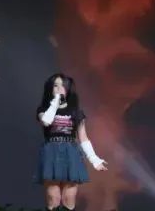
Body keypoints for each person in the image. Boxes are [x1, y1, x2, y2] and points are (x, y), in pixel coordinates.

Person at [36, 73, 107, 211]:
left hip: (71, 153)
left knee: (69, 198)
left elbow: (83, 138)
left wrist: (94, 159)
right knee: (53, 198)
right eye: (55, 85)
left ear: (68, 88)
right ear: (50, 88)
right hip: (51, 153)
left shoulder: (76, 112)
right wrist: (55, 102)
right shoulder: (43, 110)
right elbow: (46, 121)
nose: (59, 88)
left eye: (63, 85)